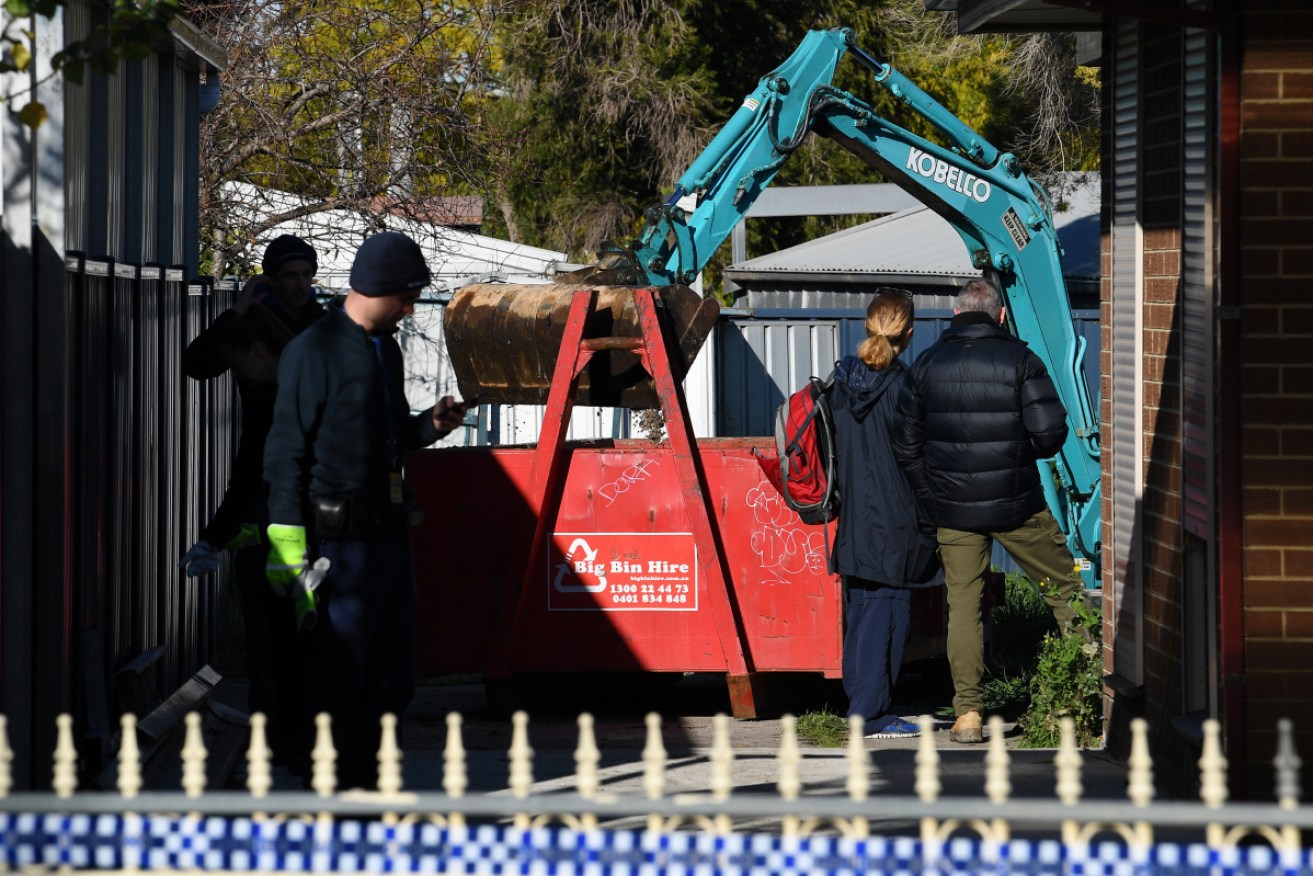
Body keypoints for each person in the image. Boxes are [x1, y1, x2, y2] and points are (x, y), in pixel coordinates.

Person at [263, 231, 469, 789]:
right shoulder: (315, 350)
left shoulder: (386, 347)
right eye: (405, 297)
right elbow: (285, 453)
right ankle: (333, 794)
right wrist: (287, 551)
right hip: (338, 549)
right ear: (377, 289)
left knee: (391, 678)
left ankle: (375, 790)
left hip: (388, 542)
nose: (409, 309)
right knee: (337, 677)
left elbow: (392, 433)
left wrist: (430, 425)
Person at [893, 277, 1091, 744]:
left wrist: (934, 494)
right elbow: (1049, 435)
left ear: (957, 315)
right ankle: (1088, 697)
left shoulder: (925, 364)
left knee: (963, 606)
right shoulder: (1020, 360)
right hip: (1018, 505)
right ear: (1000, 315)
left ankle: (968, 715)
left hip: (955, 513)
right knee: (1063, 590)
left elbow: (906, 445)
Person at [179, 306, 309, 765]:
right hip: (288, 533)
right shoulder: (287, 370)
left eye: (240, 366)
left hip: (296, 535)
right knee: (283, 645)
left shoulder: (283, 391)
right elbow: (198, 364)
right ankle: (287, 744)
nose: (240, 377)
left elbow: (253, 468)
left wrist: (216, 536)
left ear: (257, 351)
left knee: (283, 646)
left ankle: (289, 745)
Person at [829, 289, 941, 739]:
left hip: (853, 517)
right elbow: (921, 458)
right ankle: (872, 715)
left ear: (865, 326)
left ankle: (860, 705)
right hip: (895, 523)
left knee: (861, 616)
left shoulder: (841, 384)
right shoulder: (905, 389)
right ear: (909, 334)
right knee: (886, 616)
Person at [182, 234, 325, 382]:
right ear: (272, 280)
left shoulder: (325, 324)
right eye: (291, 276)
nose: (301, 284)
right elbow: (195, 365)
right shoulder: (253, 326)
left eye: (307, 274)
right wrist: (238, 310)